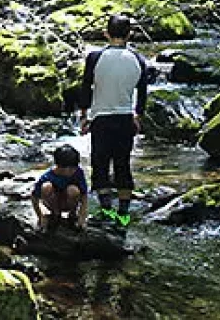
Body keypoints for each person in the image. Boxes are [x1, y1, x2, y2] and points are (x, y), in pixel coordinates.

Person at [79, 13, 148, 226]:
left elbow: (85, 87)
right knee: (123, 165)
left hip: (101, 119)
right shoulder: (138, 59)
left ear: (105, 34)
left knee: (100, 165)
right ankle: (124, 214)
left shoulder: (95, 58)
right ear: (130, 34)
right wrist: (138, 115)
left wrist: (83, 115)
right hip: (125, 118)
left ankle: (107, 211)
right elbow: (143, 92)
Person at [31, 144, 89, 232]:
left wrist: (82, 217)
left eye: (74, 167)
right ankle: (56, 214)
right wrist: (40, 216)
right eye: (71, 168)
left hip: (70, 202)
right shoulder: (48, 176)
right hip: (54, 202)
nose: (73, 170)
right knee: (46, 187)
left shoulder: (78, 172)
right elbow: (34, 197)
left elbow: (84, 195)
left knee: (73, 190)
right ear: (60, 167)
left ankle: (72, 214)